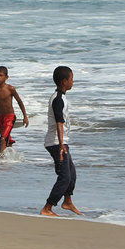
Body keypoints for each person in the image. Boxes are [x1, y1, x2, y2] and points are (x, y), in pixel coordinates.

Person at [40, 66, 82, 216]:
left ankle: (67, 201)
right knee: (64, 177)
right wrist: (62, 144)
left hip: (60, 142)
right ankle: (47, 207)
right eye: (71, 78)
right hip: (56, 143)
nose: (73, 81)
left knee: (72, 173)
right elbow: (59, 122)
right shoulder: (58, 99)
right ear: (64, 81)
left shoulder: (61, 97)